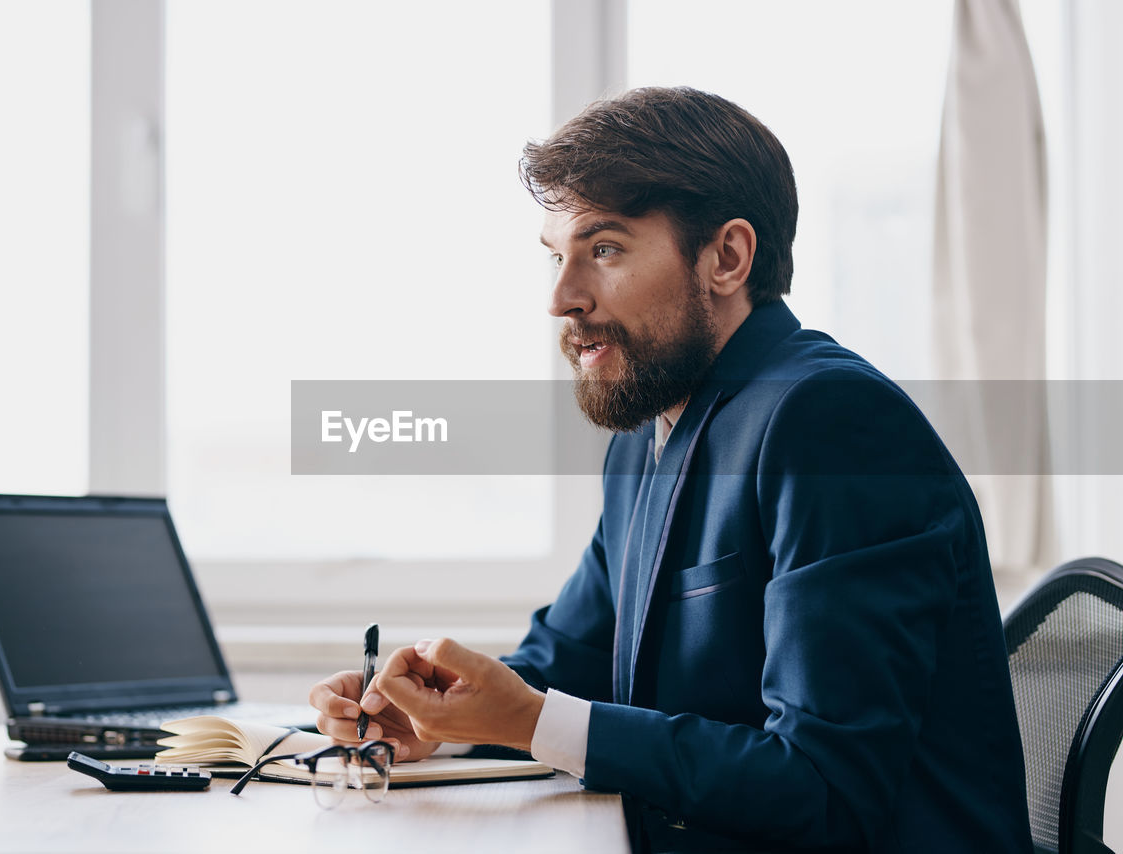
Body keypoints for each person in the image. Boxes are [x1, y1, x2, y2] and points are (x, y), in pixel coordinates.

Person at [309, 87, 1033, 853]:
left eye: (606, 249)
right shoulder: (646, 434)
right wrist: (435, 716)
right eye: (557, 257)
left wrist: (525, 720)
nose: (562, 296)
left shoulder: (831, 422)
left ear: (726, 258)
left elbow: (825, 788)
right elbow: (568, 664)